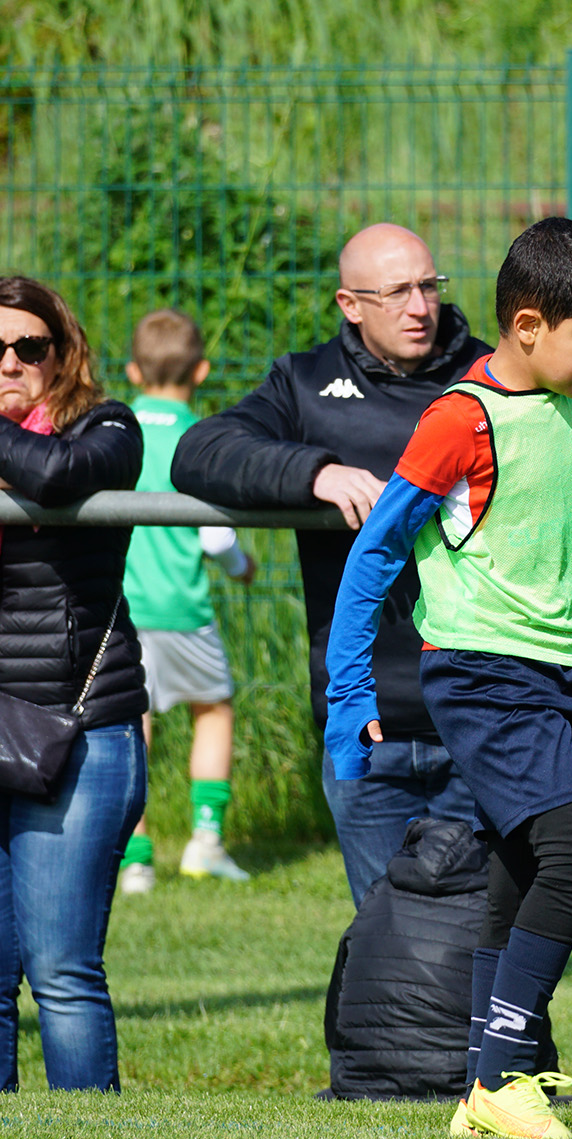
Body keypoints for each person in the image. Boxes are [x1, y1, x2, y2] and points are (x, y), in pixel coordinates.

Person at [324, 217, 572, 1139]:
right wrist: (350, 694)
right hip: (482, 675)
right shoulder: (460, 420)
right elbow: (374, 556)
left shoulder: (566, 403)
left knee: (517, 868)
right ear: (528, 327)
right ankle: (505, 1077)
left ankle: (483, 1087)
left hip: (550, 676)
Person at [171, 224, 493, 906]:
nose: (419, 307)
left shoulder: (493, 375)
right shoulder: (305, 382)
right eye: (396, 292)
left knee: (476, 932)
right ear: (350, 304)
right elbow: (200, 452)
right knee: (383, 935)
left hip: (481, 712)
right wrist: (313, 471)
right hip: (364, 722)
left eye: (428, 286)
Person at [0, 275, 148, 1090]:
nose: (10, 363)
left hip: (79, 731)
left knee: (61, 969)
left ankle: (89, 1134)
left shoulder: (108, 425)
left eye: (30, 346)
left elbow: (58, 476)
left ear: (62, 353)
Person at [117, 309, 257, 893]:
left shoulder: (116, 431)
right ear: (201, 371)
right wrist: (242, 568)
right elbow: (217, 538)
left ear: (132, 371)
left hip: (121, 612)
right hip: (183, 610)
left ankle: (133, 858)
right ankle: (205, 841)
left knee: (131, 722)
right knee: (214, 709)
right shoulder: (199, 438)